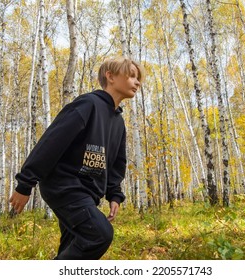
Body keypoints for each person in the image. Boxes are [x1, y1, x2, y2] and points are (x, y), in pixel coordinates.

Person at [9, 56, 144, 260]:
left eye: (138, 78)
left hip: (88, 193)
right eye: (132, 75)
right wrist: (26, 183)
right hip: (64, 186)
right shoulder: (88, 104)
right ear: (110, 76)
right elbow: (53, 141)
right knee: (99, 234)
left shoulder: (118, 122)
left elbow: (117, 162)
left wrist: (114, 194)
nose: (137, 82)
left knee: (72, 244)